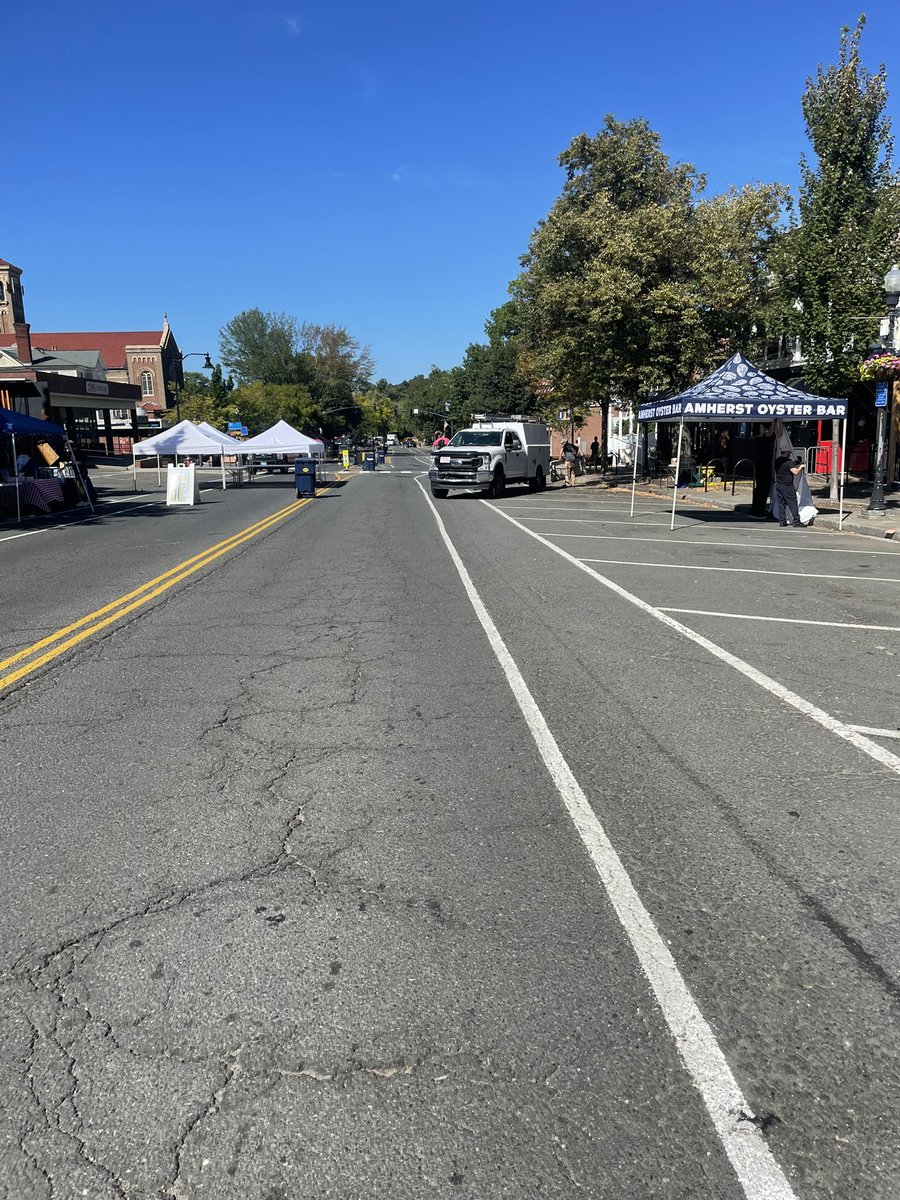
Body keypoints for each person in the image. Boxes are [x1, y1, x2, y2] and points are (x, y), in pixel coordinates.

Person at [774, 452, 804, 527]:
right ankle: (796, 521)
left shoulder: (777, 461)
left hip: (779, 485)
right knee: (792, 503)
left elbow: (786, 467)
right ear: (787, 452)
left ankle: (782, 521)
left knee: (781, 504)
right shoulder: (788, 462)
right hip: (787, 486)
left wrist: (795, 463)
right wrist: (801, 466)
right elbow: (795, 471)